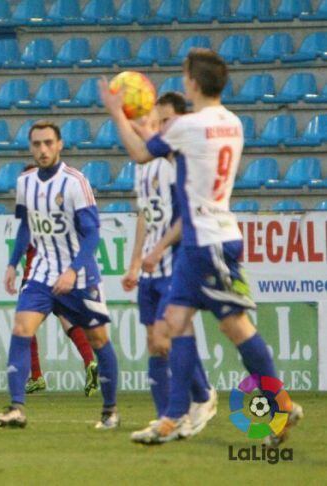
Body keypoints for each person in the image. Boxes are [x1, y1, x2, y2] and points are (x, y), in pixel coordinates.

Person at [101, 48, 302, 445]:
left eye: (185, 75)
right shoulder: (231, 122)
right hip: (216, 236)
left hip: (204, 242)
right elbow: (175, 149)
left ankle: (276, 409)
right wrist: (150, 130)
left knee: (234, 328)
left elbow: (143, 154)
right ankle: (174, 416)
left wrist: (116, 113)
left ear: (192, 82)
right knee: (176, 325)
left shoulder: (189, 126)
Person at [0, 121, 120, 429]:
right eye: (36, 144)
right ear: (31, 147)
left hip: (80, 275)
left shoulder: (75, 182)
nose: (43, 149)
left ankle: (110, 410)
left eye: (48, 143)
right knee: (22, 328)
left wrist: (74, 271)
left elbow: (92, 235)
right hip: (42, 272)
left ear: (59, 145)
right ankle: (17, 408)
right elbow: (25, 226)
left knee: (99, 340)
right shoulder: (26, 182)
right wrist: (12, 262)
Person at [120, 92, 216, 441]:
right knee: (155, 343)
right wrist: (134, 264)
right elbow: (146, 216)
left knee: (166, 335)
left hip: (174, 260)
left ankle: (199, 399)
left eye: (159, 122)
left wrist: (160, 249)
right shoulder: (141, 169)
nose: (154, 127)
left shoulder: (174, 162)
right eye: (151, 121)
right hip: (150, 267)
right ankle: (166, 417)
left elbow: (183, 216)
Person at [8, 166, 98, 396]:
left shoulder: (35, 216)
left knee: (25, 325)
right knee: (69, 320)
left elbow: (24, 242)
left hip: (36, 277)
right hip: (62, 275)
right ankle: (89, 361)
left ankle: (36, 377)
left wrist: (12, 266)